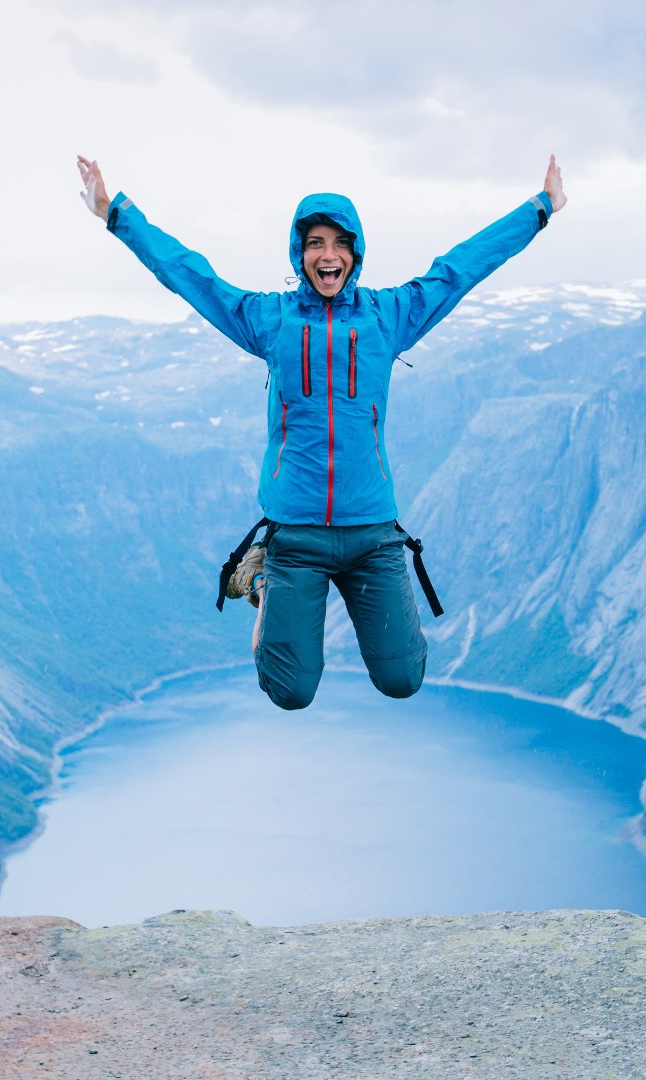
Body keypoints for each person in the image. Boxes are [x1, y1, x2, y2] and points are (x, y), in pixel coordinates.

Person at [76, 154, 567, 710]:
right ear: (299, 253)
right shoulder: (270, 321)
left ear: (355, 253)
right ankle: (262, 583)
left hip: (372, 534)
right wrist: (115, 212)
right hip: (297, 535)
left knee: (404, 678)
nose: (327, 255)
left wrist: (541, 207)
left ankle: (308, 600)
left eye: (339, 242)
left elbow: (462, 267)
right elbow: (191, 276)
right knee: (290, 691)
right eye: (314, 243)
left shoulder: (390, 316)